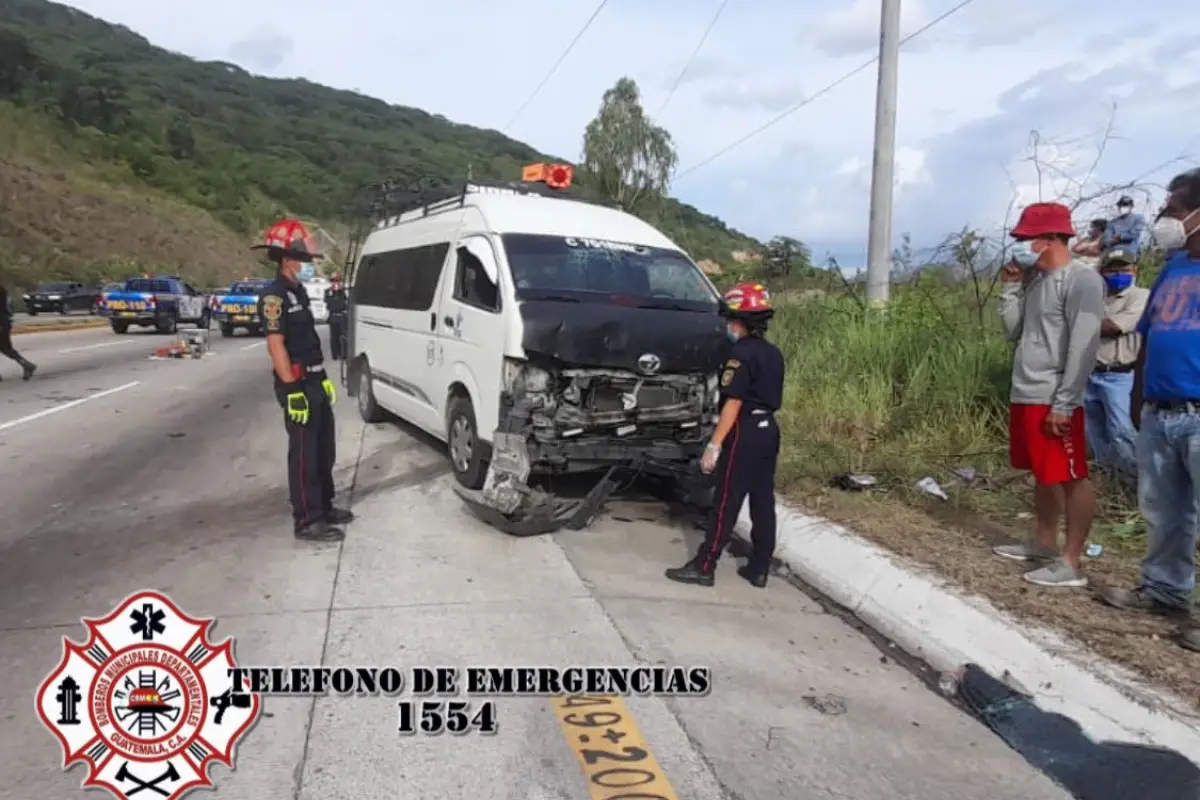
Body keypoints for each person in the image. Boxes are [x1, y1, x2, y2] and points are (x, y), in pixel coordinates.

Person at [1095, 168, 1200, 651]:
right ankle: (1164, 590)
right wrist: (1139, 399)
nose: (1163, 218)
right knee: (1163, 510)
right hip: (1160, 409)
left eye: (1174, 210)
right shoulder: (1174, 269)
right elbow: (1150, 337)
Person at [992, 202, 1106, 587]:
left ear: (1051, 238)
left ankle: (1071, 561)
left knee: (1071, 475)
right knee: (1044, 474)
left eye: (1026, 239)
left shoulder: (1081, 280)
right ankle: (1043, 542)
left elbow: (1083, 345)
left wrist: (1065, 401)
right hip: (1026, 390)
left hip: (1055, 396)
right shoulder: (1036, 281)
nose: (1021, 246)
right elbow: (1013, 331)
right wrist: (1010, 289)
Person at [666, 282, 785, 588]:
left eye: (729, 321)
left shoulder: (740, 354)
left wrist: (714, 445)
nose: (727, 327)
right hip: (768, 431)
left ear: (738, 320)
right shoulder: (773, 354)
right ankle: (759, 567)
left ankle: (705, 565)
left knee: (726, 502)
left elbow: (734, 403)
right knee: (762, 502)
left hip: (743, 431)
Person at [254, 219, 353, 542]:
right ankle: (307, 519)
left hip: (313, 378)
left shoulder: (298, 293)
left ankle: (323, 505)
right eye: (303, 260)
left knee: (324, 446)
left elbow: (309, 340)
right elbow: (276, 344)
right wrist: (293, 389)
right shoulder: (275, 297)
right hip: (295, 383)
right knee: (305, 452)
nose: (308, 266)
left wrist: (321, 377)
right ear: (287, 259)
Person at [1084, 247, 1148, 476]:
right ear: (1102, 272)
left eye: (1124, 268)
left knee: (1121, 430)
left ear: (1134, 270)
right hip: (1089, 373)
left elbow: (1113, 327)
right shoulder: (1093, 296)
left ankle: (1133, 483)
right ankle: (1109, 479)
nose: (1119, 273)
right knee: (1093, 432)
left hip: (1119, 375)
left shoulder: (1141, 296)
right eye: (1113, 270)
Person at [0, 283, 36, 381]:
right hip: (4, 322)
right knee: (6, 348)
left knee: (6, 348)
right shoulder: (2, 289)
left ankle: (27, 365)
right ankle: (26, 365)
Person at [325, 273, 348, 361]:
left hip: (342, 316)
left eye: (337, 280)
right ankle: (335, 354)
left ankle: (343, 354)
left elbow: (344, 303)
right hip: (333, 316)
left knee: (343, 336)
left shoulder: (343, 291)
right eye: (334, 281)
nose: (336, 282)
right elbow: (329, 304)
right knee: (334, 337)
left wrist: (340, 291)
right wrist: (335, 292)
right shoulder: (328, 291)